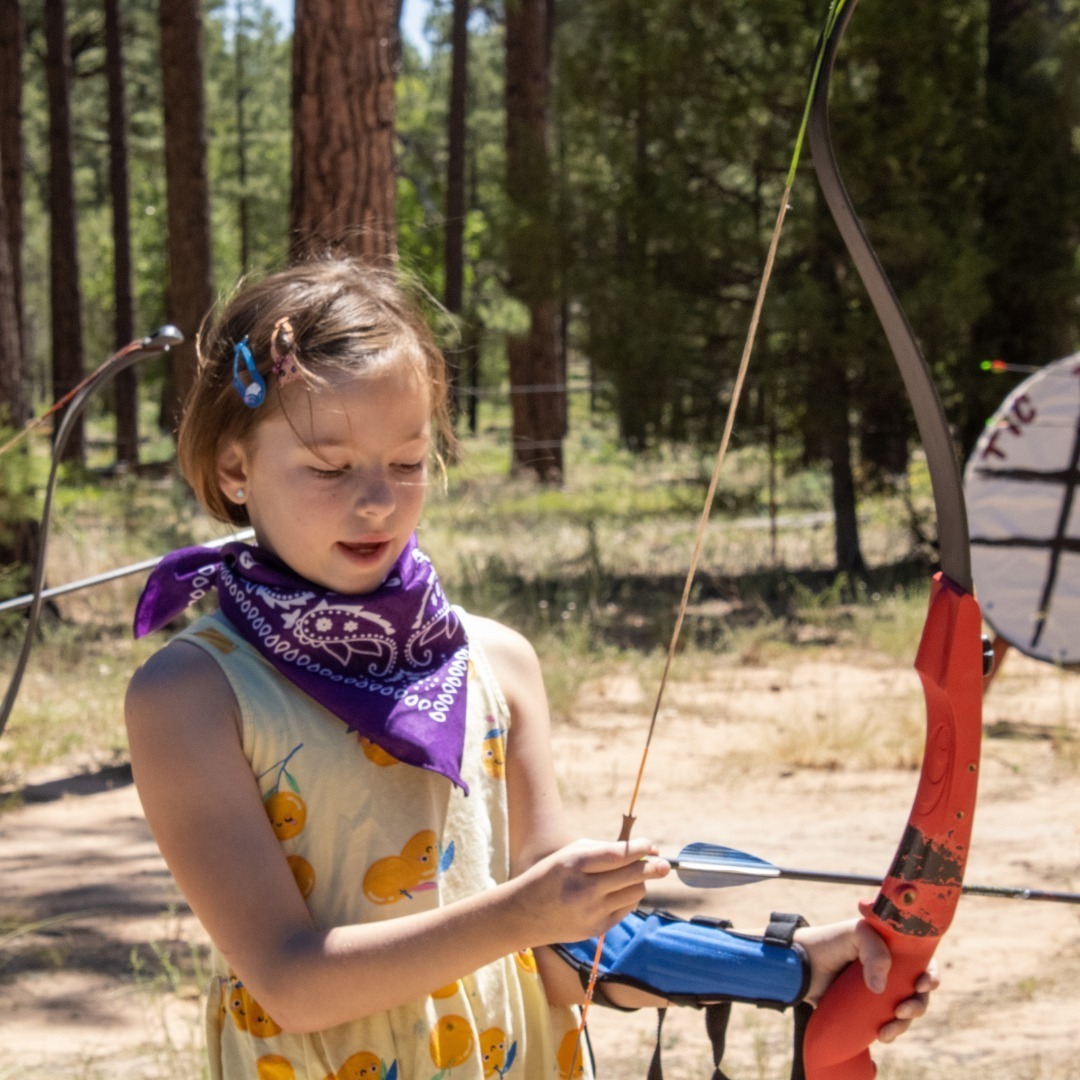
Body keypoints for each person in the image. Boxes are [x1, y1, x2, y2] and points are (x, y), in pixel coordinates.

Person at [125, 257, 937, 1080]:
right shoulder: (192, 695)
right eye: (330, 468)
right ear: (235, 469)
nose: (376, 502)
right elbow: (292, 982)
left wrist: (790, 965)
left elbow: (566, 950)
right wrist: (523, 914)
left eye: (407, 463)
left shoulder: (496, 663)